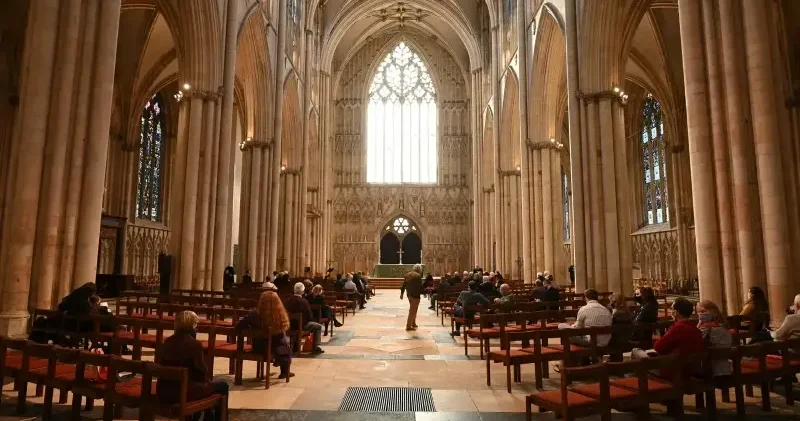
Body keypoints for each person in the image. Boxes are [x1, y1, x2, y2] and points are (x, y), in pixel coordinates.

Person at [157, 311, 229, 421]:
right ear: (192, 325)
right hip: (183, 392)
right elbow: (201, 371)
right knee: (223, 385)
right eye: (196, 324)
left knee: (206, 385)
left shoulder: (167, 341)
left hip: (165, 390)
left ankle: (207, 415)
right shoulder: (194, 344)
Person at [235, 291, 293, 378]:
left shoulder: (254, 314)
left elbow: (238, 327)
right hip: (275, 351)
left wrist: (249, 329)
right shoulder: (279, 317)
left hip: (258, 349)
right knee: (283, 341)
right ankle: (284, 371)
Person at [284, 282, 325, 354]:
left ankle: (295, 347)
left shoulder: (287, 301)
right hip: (302, 326)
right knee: (318, 326)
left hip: (290, 326)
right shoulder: (304, 301)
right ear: (302, 292)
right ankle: (315, 347)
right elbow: (310, 317)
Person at [696, 300, 732, 376]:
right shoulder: (724, 328)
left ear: (714, 313)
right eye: (698, 312)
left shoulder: (708, 330)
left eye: (703, 312)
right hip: (725, 369)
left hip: (710, 370)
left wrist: (698, 325)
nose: (700, 314)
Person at [400, 264, 424, 331]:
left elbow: (403, 285)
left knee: (414, 309)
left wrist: (401, 294)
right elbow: (420, 286)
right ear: (419, 269)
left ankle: (413, 323)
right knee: (412, 310)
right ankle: (408, 326)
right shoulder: (418, 276)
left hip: (409, 295)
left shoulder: (407, 275)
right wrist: (424, 293)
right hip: (415, 295)